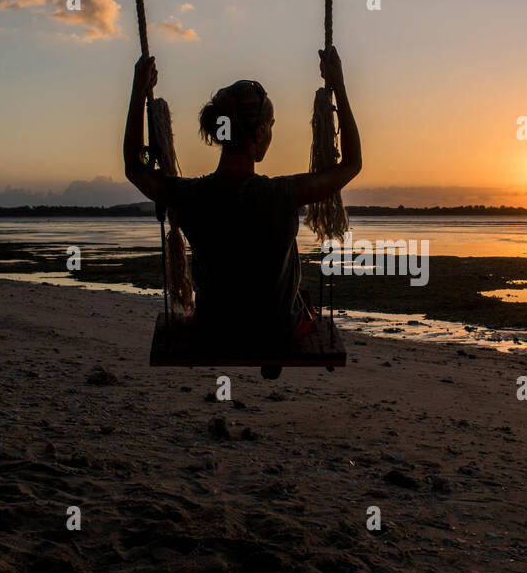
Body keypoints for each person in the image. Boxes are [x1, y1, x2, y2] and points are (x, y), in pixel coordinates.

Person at [123, 47, 361, 353]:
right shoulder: (282, 194)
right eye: (271, 125)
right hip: (276, 333)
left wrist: (137, 91)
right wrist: (338, 85)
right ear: (260, 132)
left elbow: (133, 166)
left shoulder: (190, 195)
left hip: (215, 329)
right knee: (298, 298)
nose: (271, 133)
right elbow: (352, 163)